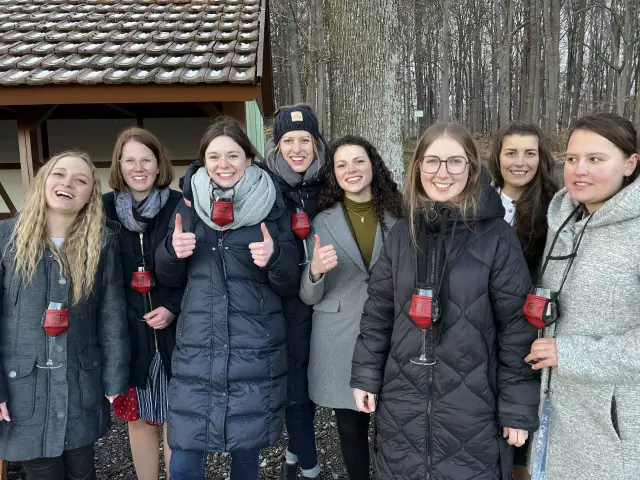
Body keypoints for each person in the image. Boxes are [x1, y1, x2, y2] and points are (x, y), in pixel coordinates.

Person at [350, 123, 539, 480]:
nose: (442, 173)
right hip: (402, 400)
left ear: (471, 168)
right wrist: (365, 374)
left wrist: (516, 407)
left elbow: (517, 327)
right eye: (432, 161)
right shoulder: (402, 233)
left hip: (473, 405)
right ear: (418, 166)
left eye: (454, 162)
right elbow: (378, 310)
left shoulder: (496, 237)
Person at [155, 117, 301, 480]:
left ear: (249, 159)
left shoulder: (271, 202)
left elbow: (289, 283)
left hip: (254, 345)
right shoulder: (189, 204)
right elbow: (168, 277)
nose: (224, 165)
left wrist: (275, 259)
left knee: (245, 447)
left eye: (233, 155)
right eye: (215, 156)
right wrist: (172, 253)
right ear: (203, 160)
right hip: (198, 345)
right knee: (186, 453)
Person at [0, 151, 129, 479]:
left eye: (80, 180)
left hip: (79, 381)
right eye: (59, 174)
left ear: (90, 195)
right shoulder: (6, 238)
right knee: (42, 471)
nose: (67, 184)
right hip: (22, 388)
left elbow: (111, 313)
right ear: (44, 180)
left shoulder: (103, 241)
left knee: (82, 468)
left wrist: (114, 378)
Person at [526, 113, 640, 480]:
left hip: (613, 428)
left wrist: (571, 352)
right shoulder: (564, 219)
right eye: (572, 159)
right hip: (556, 413)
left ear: (630, 163)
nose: (579, 170)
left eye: (596, 159)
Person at [299, 135, 403, 480]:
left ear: (373, 165)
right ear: (334, 174)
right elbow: (308, 297)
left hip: (391, 335)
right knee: (351, 429)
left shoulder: (400, 217)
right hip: (339, 338)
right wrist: (314, 272)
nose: (351, 170)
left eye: (358, 161)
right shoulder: (321, 222)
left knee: (394, 428)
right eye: (341, 164)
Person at [103, 128, 184, 479]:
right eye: (130, 160)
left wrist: (173, 306)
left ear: (158, 164)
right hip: (128, 334)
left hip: (174, 333)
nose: (139, 168)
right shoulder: (103, 209)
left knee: (175, 420)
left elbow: (199, 269)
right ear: (119, 165)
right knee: (137, 420)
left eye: (146, 160)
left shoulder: (180, 205)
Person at [264, 104, 326, 480]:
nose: (297, 148)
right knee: (296, 388)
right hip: (283, 300)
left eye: (305, 139)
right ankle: (309, 468)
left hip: (327, 296)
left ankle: (293, 452)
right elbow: (207, 177)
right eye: (289, 140)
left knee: (313, 383)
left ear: (317, 144)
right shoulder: (264, 185)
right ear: (277, 144)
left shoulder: (331, 182)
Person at [489, 121, 558, 276]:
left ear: (541, 158)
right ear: (498, 157)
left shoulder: (555, 210)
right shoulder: (479, 205)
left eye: (530, 153)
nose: (520, 163)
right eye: (511, 153)